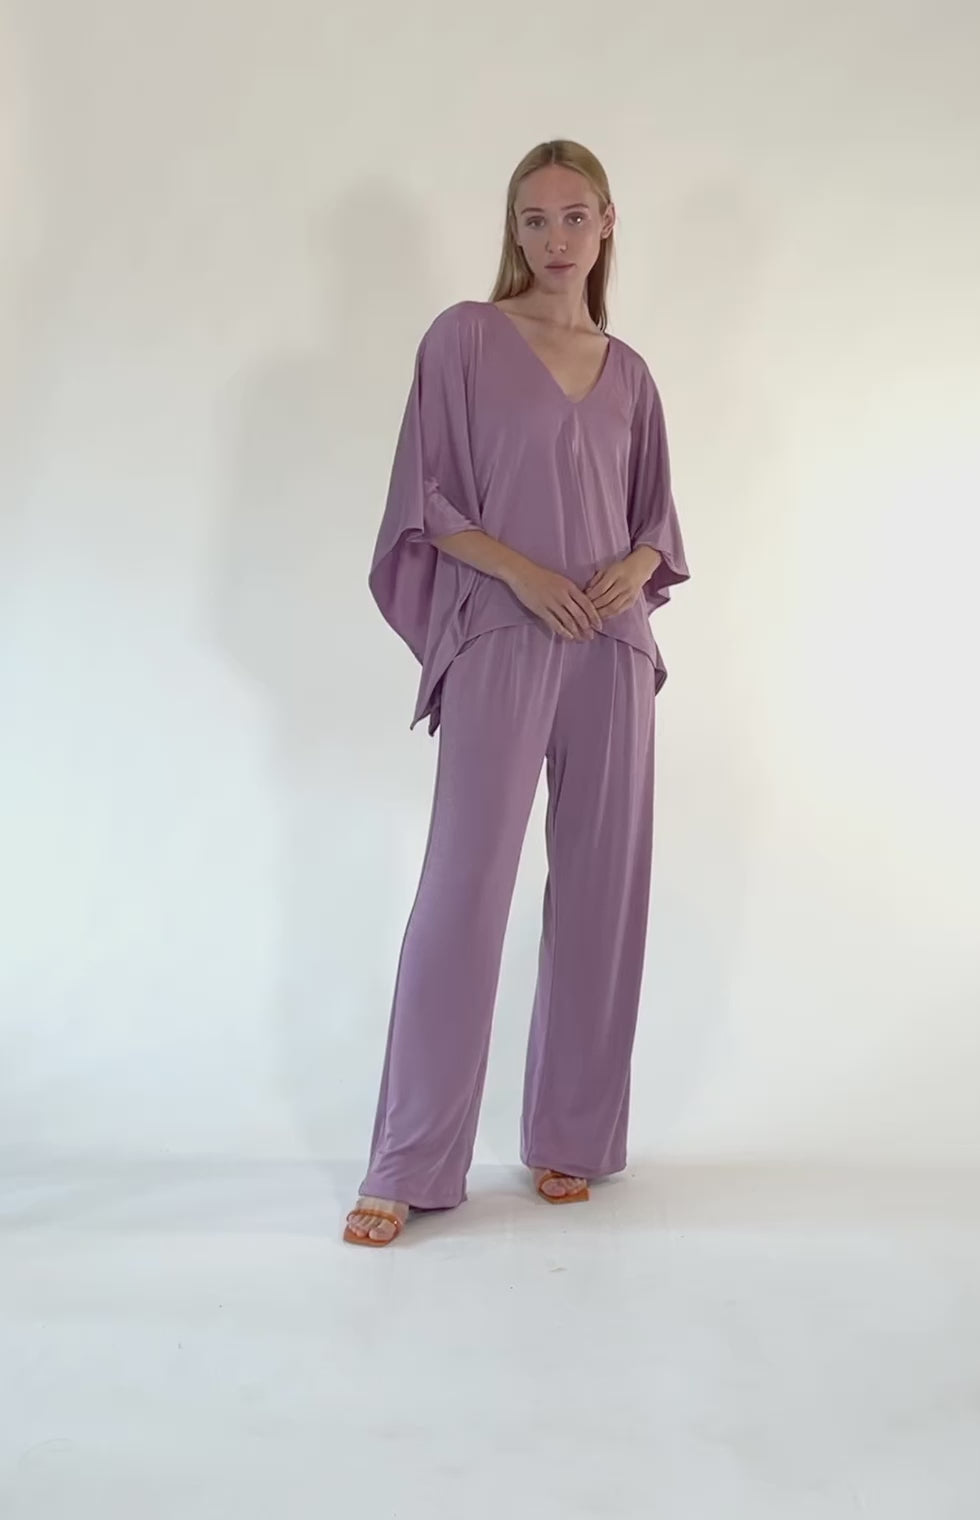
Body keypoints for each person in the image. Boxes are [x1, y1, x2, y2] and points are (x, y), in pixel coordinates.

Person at [344, 139, 689, 1247]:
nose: (554, 238)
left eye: (574, 216)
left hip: (612, 646)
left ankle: (569, 1137)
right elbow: (430, 498)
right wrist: (526, 576)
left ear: (607, 223)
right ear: (513, 228)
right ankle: (409, 1159)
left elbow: (657, 525)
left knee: (603, 891)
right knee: (466, 884)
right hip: (504, 629)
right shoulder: (464, 337)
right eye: (533, 218)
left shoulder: (630, 370)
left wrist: (634, 568)